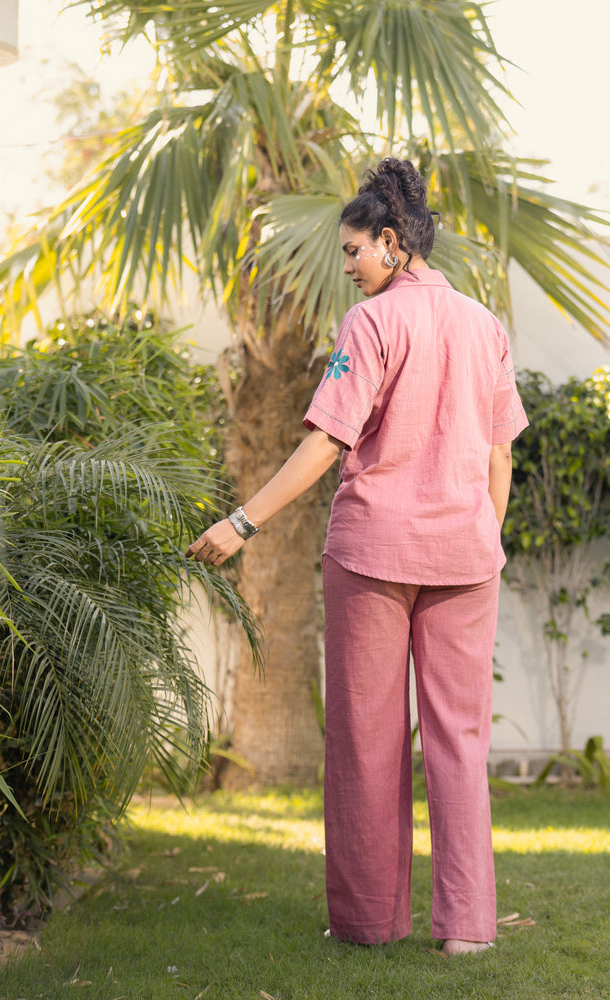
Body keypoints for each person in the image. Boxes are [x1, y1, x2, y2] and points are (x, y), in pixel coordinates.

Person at [187, 157, 528, 955]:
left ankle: (369, 924)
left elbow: (325, 442)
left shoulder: (372, 325)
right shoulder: (485, 325)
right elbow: (500, 457)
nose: (345, 269)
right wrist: (485, 537)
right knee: (459, 741)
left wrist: (243, 521)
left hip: (374, 556)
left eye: (352, 253)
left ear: (390, 241)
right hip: (467, 559)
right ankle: (468, 930)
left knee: (368, 741)